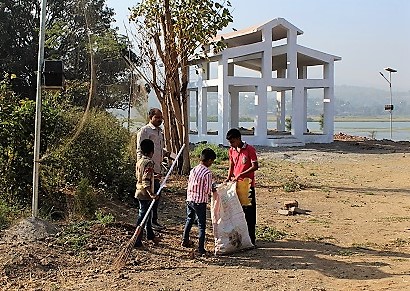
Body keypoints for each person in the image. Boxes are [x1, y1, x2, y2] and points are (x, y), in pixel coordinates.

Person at [136, 108, 170, 229]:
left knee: (156, 196)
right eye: (157, 117)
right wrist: (141, 168)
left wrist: (165, 153)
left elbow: (158, 149)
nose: (160, 120)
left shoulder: (160, 132)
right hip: (148, 170)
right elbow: (140, 150)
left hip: (157, 169)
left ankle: (153, 222)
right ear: (151, 117)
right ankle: (146, 224)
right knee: (149, 198)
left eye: (161, 118)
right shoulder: (145, 131)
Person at [225, 128, 259, 245]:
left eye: (233, 142)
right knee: (237, 212)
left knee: (249, 214)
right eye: (230, 142)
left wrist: (241, 174)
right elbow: (232, 164)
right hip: (235, 185)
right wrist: (229, 176)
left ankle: (251, 239)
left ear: (239, 139)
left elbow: (255, 166)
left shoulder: (249, 149)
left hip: (247, 185)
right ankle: (241, 238)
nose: (232, 144)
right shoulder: (232, 150)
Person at [181, 148, 217, 255]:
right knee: (201, 225)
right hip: (200, 201)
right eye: (212, 161)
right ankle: (201, 249)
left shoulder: (193, 170)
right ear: (209, 160)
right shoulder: (207, 173)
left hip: (190, 199)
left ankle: (185, 240)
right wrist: (213, 188)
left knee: (189, 219)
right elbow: (206, 190)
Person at [134, 139, 160, 247]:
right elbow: (145, 181)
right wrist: (151, 194)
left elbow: (141, 176)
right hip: (145, 194)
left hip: (139, 191)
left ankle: (150, 235)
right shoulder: (149, 162)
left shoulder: (140, 161)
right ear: (152, 151)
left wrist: (154, 177)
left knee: (147, 215)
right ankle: (137, 240)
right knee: (143, 217)